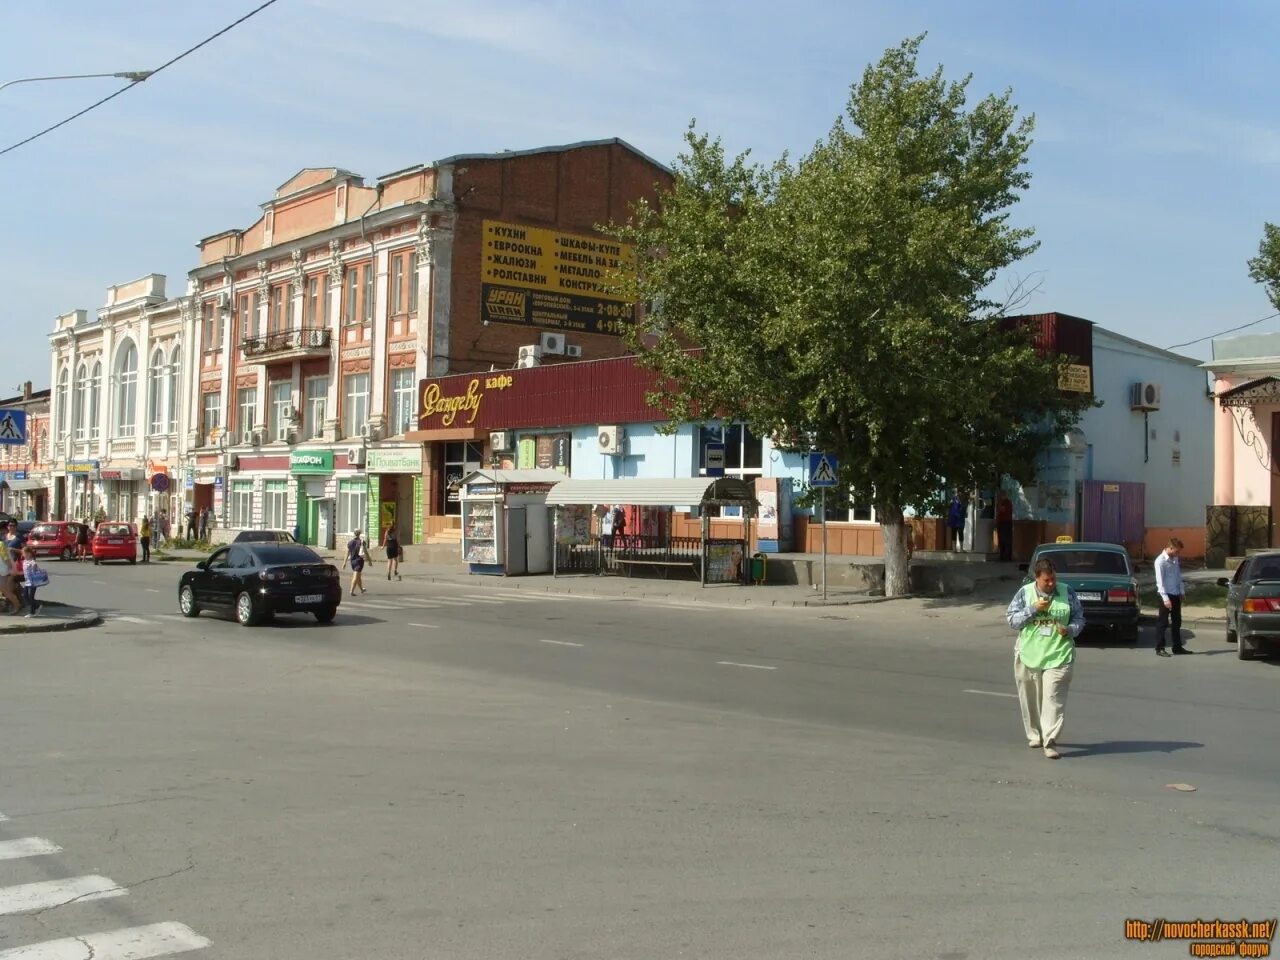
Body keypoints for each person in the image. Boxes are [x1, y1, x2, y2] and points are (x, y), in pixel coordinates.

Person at [1006, 557, 1085, 759]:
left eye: (1053, 579)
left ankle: (1049, 740)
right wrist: (1034, 609)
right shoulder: (1025, 593)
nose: (1051, 584)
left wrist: (1070, 630)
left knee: (1053, 698)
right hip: (1028, 653)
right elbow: (1012, 621)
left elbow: (1079, 618)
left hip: (1059, 654)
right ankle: (1034, 734)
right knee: (1030, 697)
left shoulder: (1067, 592)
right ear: (1036, 578)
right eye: (1046, 580)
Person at [1154, 537, 1187, 656]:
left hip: (1176, 594)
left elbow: (1178, 576)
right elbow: (1160, 582)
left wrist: (1181, 591)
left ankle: (1177, 647)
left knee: (1177, 621)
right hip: (1165, 595)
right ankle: (1160, 648)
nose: (1178, 554)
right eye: (1177, 551)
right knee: (1162, 622)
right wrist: (1165, 599)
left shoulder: (1175, 559)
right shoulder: (1160, 561)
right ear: (1170, 548)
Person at [20, 545, 47, 618]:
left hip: (33, 582)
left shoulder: (32, 561)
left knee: (30, 597)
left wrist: (34, 566)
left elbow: (34, 565)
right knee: (25, 596)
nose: (22, 554)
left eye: (23, 553)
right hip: (27, 582)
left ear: (28, 554)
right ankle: (37, 605)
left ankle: (32, 612)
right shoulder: (25, 561)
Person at [342, 529, 369, 596]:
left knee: (358, 576)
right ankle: (351, 591)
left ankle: (361, 589)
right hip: (359, 561)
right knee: (356, 576)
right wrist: (369, 560)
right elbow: (365, 552)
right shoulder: (362, 542)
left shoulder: (350, 542)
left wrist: (344, 563)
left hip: (352, 561)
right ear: (359, 534)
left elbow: (347, 553)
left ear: (354, 533)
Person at [996, 493, 1015, 563]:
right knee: (1001, 540)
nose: (1001, 497)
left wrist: (1000, 508)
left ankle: (1007, 557)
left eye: (1002, 495)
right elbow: (998, 512)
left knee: (1007, 540)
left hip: (1006, 523)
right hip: (1001, 523)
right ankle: (1002, 556)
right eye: (1000, 496)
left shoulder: (1008, 503)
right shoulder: (1001, 502)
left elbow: (1001, 511)